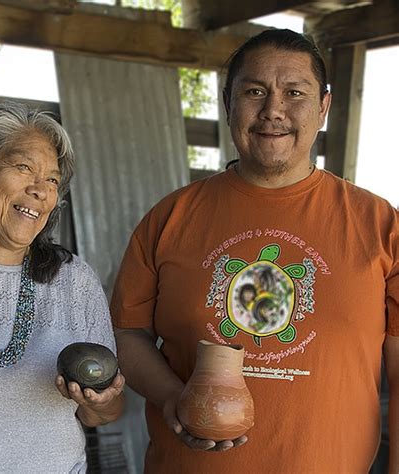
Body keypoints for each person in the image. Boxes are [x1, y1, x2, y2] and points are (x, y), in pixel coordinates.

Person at [110, 29, 398, 473]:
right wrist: (172, 396)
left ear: (323, 107)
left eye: (294, 92)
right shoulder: (171, 217)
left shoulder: (380, 226)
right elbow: (128, 334)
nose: (273, 111)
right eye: (254, 91)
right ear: (228, 104)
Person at [0, 102, 125, 472]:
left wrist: (100, 400)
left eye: (51, 179)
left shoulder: (75, 282)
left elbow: (106, 413)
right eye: (23, 168)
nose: (40, 190)